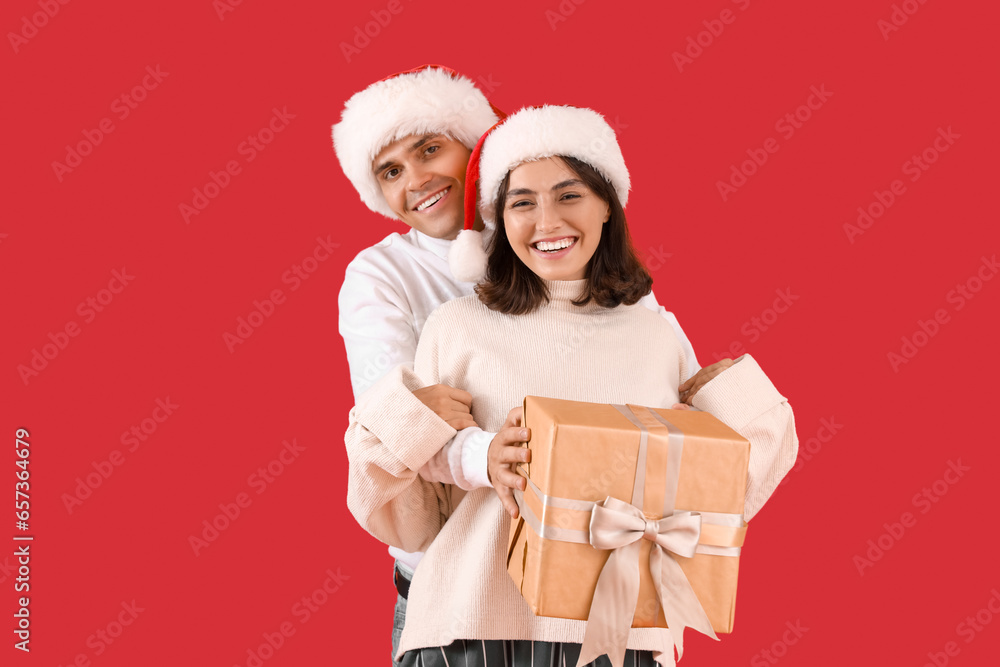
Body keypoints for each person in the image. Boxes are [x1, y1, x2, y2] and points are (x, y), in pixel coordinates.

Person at [344, 105, 799, 666]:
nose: (547, 221)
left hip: (615, 633)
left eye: (569, 195)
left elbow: (715, 487)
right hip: (468, 628)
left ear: (607, 204)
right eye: (522, 203)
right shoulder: (452, 325)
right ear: (499, 221)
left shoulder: (655, 333)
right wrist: (472, 451)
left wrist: (730, 398)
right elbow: (410, 509)